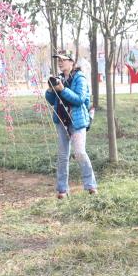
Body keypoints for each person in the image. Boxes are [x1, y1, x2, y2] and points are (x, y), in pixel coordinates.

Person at [44, 50, 97, 198]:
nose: (60, 62)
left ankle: (91, 185)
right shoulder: (59, 78)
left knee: (79, 152)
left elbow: (79, 99)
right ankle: (62, 189)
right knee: (62, 156)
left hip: (77, 121)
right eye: (58, 60)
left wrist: (63, 89)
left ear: (71, 62)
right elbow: (52, 101)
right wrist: (50, 90)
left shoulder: (79, 78)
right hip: (61, 120)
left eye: (63, 60)